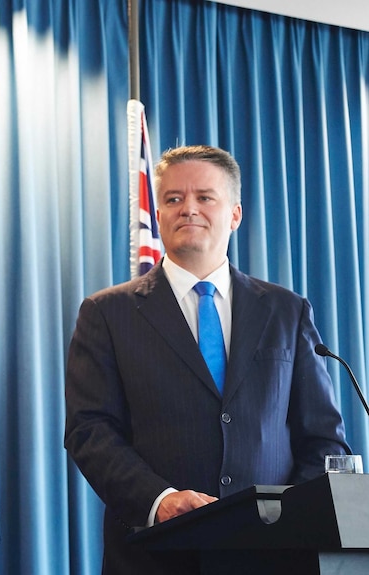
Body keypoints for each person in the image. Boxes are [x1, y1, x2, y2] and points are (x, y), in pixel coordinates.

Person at [64, 145, 349, 574]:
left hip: (273, 558)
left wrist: (287, 518)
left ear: (234, 213)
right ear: (157, 214)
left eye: (204, 197)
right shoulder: (106, 313)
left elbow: (324, 439)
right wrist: (158, 501)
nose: (188, 209)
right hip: (154, 556)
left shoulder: (287, 311)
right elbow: (90, 430)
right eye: (173, 199)